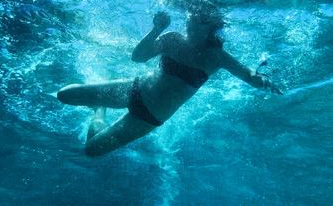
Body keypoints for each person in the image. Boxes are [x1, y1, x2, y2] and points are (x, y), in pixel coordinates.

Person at [57, 9, 282, 156]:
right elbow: (138, 57)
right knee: (66, 94)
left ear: (211, 27)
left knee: (92, 149)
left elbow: (249, 76)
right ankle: (98, 108)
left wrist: (266, 80)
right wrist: (157, 29)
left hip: (147, 117)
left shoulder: (217, 57)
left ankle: (98, 112)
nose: (189, 22)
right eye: (190, 18)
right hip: (132, 88)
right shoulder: (172, 38)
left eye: (196, 20)